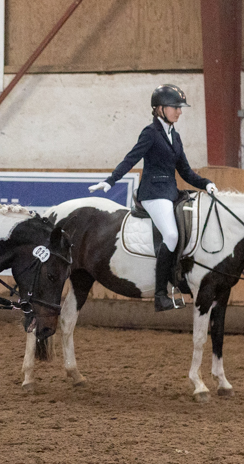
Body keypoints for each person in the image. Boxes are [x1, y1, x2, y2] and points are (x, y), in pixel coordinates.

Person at [89, 84, 218, 312]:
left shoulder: (175, 136)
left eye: (180, 108)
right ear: (159, 108)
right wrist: (111, 180)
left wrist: (206, 183)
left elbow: (185, 171)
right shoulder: (150, 133)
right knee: (171, 234)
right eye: (175, 107)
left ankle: (181, 277)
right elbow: (131, 158)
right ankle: (160, 294)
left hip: (171, 192)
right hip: (153, 193)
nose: (179, 112)